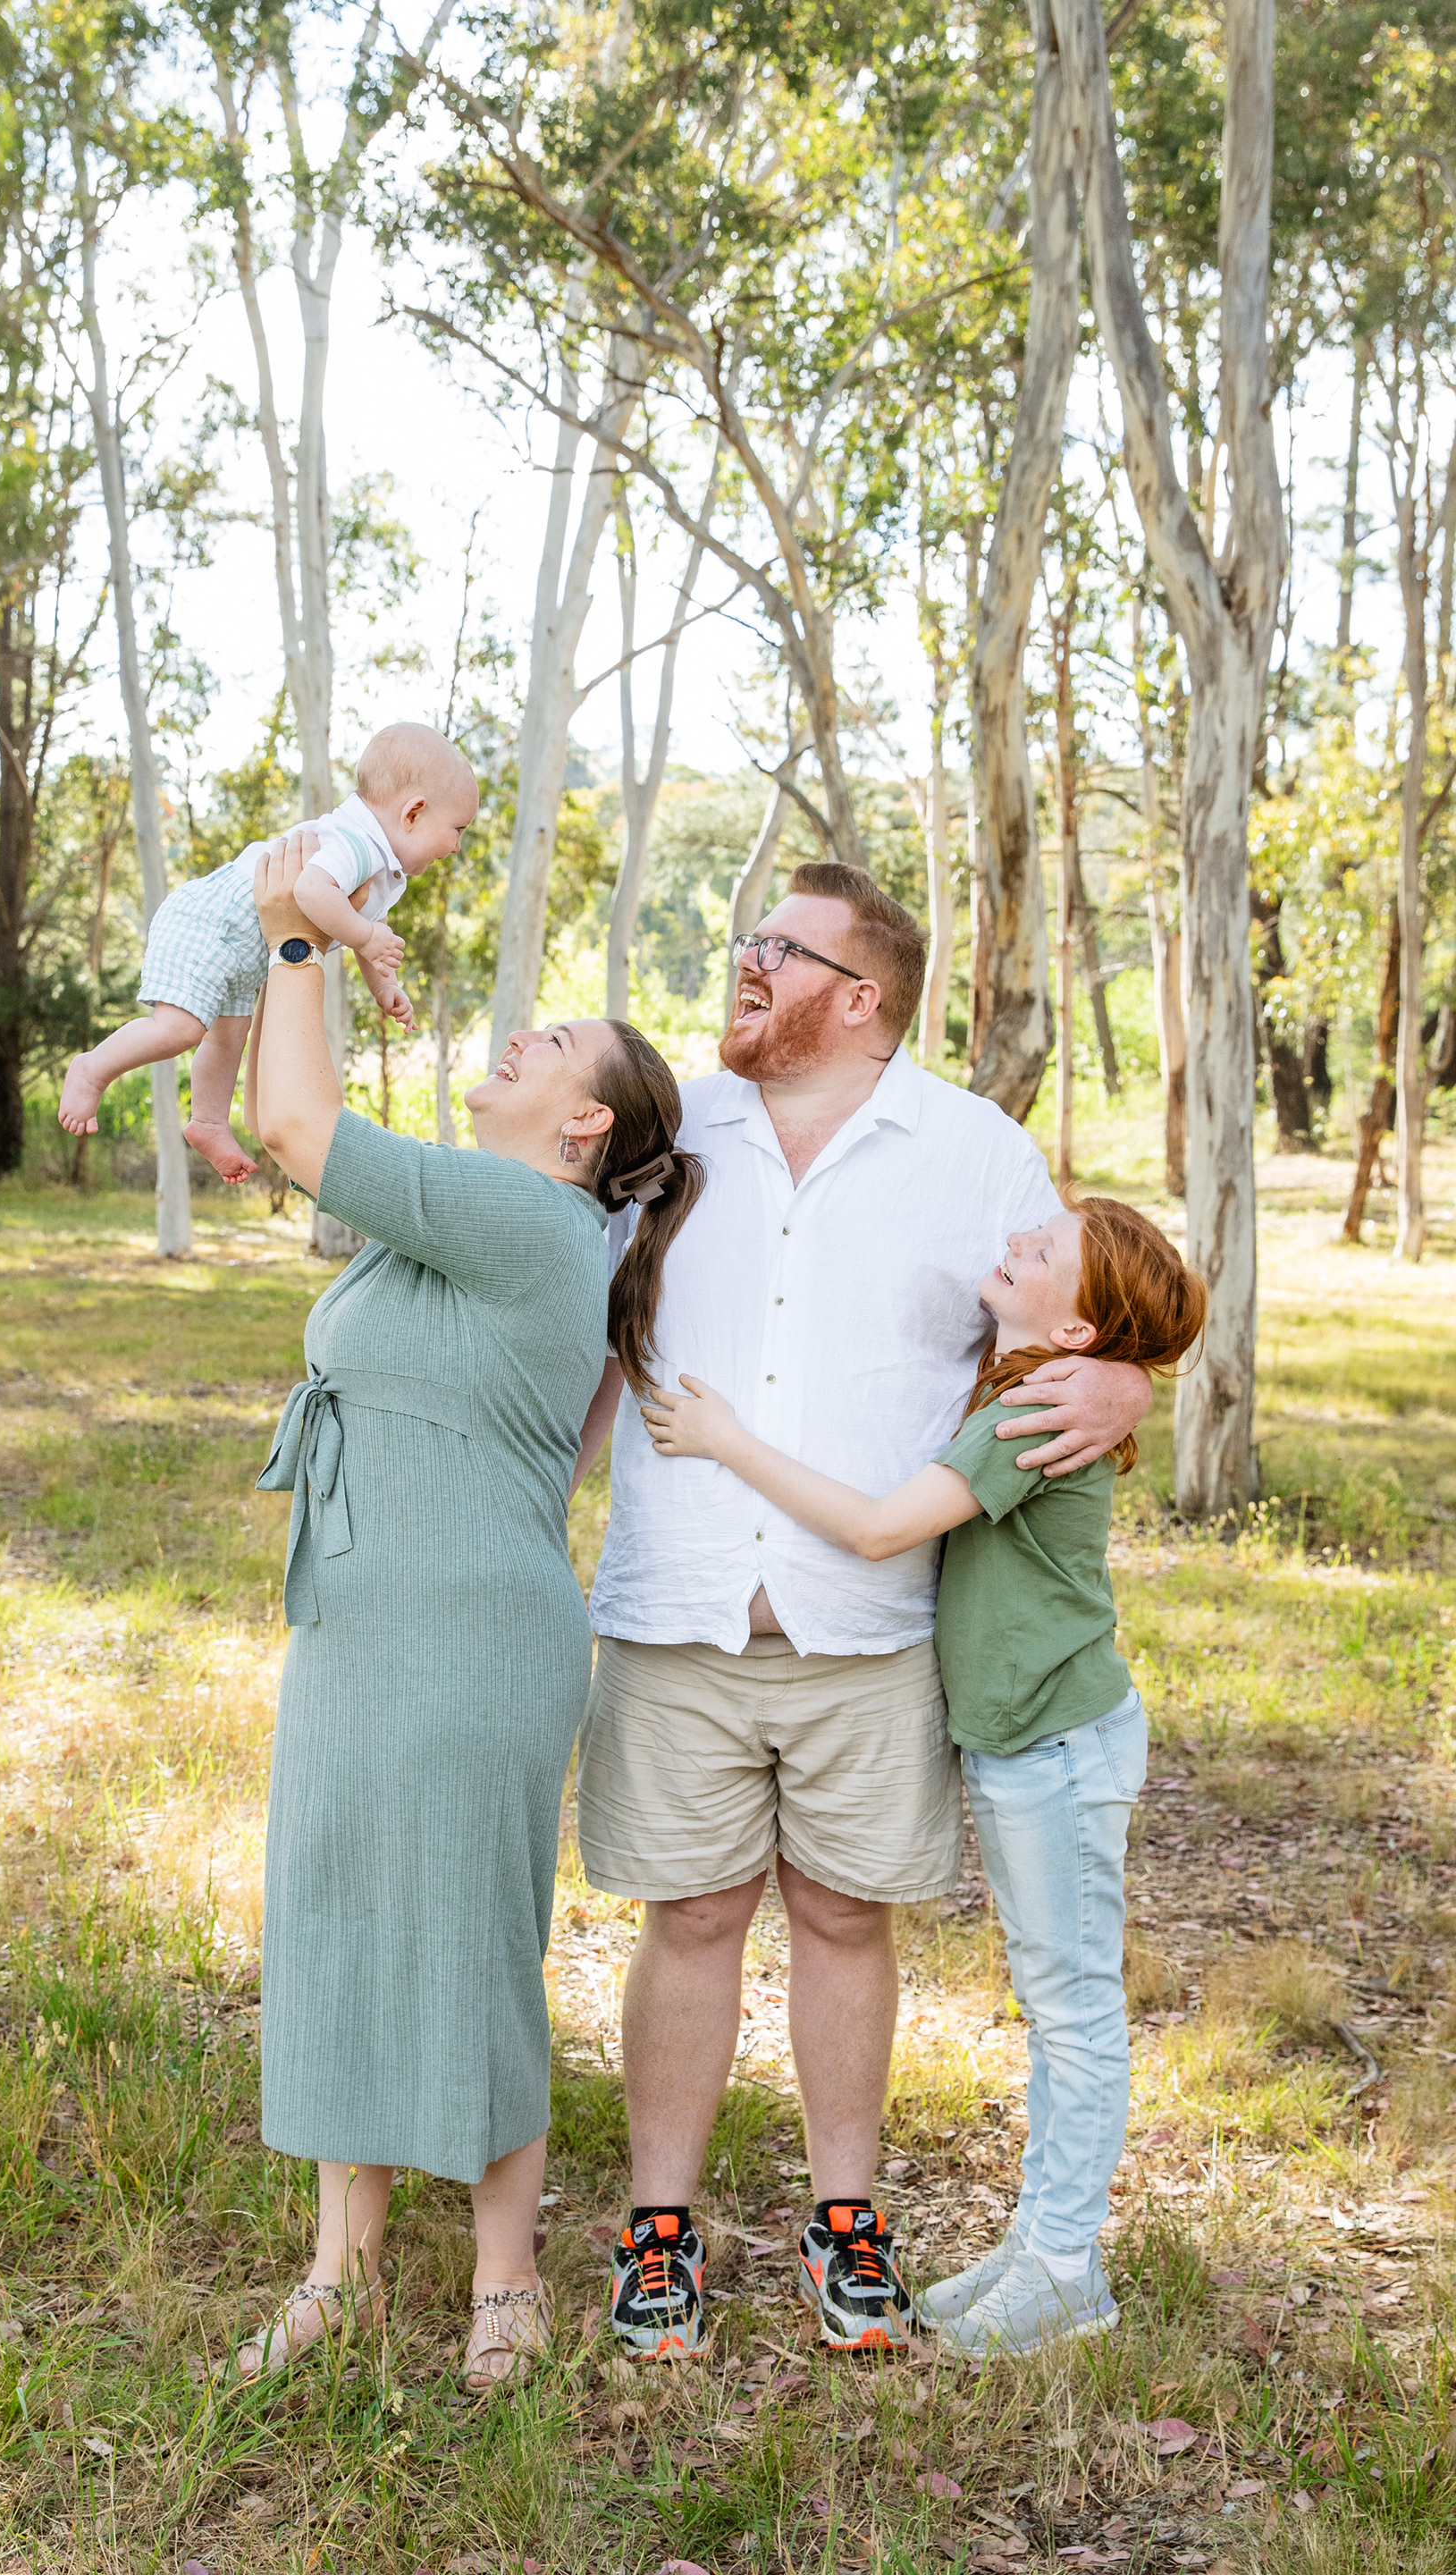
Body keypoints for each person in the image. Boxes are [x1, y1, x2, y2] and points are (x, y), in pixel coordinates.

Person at [572, 858, 1153, 2360]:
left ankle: (848, 2232)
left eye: (778, 944)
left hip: (870, 1617)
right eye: (744, 933)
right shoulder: (666, 1130)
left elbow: (1083, 1308)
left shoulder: (974, 1153)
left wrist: (1128, 1379)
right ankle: (660, 2240)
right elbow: (534, 1265)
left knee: (842, 1915)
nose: (743, 959)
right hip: (676, 1597)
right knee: (689, 1916)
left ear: (861, 992)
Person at [236, 835, 702, 2393]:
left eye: (555, 1043)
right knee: (342, 1917)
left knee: (468, 1941)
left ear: (585, 1125)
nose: (522, 1036)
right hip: (364, 1621)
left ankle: (508, 2282)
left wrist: (295, 939)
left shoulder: (525, 1221)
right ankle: (342, 2274)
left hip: (469, 1640)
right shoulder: (477, 1223)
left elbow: (295, 1120)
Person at [641, 1194, 1207, 2357]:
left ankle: (1065, 2269)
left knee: (1073, 2012)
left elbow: (882, 1531)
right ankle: (1040, 2250)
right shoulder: (1027, 1386)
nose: (1013, 1246)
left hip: (1056, 1745)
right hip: (1032, 1744)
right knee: (1058, 2005)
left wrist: (728, 1442)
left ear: (1084, 1333)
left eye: (1042, 1252)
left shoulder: (1029, 1410)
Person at [57, 722, 477, 1182]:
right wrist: (364, 936)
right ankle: (91, 1069)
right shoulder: (355, 842)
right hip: (213, 924)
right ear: (413, 813)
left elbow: (354, 920)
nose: (456, 846)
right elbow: (313, 891)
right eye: (457, 829)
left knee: (226, 1040)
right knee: (179, 1029)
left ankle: (209, 1121)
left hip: (246, 952)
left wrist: (384, 985)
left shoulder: (376, 860)